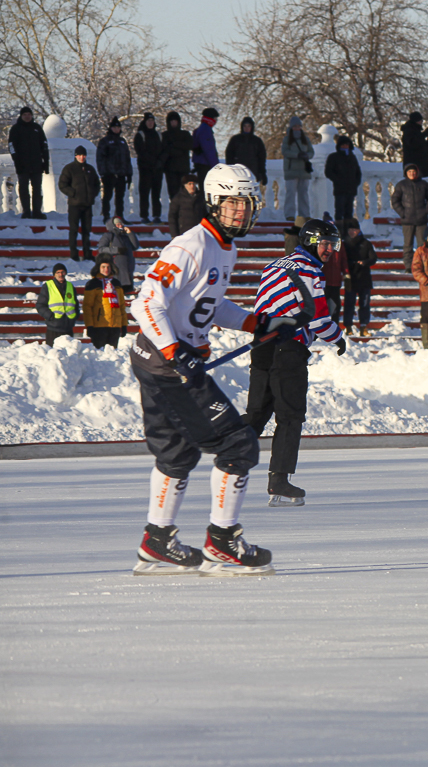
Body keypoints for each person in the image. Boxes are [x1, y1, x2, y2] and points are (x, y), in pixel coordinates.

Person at [129, 163, 287, 574]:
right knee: (238, 446)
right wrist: (174, 351)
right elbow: (145, 301)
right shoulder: (191, 246)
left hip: (161, 360)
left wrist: (256, 322)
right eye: (234, 203)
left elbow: (208, 305)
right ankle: (223, 543)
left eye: (247, 204)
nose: (241, 212)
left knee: (176, 454)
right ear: (215, 203)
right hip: (168, 365)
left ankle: (157, 541)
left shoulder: (225, 247)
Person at [245, 218, 346, 507]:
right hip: (288, 348)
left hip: (262, 342)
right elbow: (318, 318)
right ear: (311, 241)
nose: (329, 250)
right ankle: (279, 480)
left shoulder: (277, 264)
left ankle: (227, 462)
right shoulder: (310, 271)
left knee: (256, 414)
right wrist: (337, 337)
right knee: (290, 415)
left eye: (333, 244)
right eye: (325, 243)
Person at [58, 146, 100, 262]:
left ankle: (87, 253)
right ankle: (74, 254)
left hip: (87, 205)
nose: (82, 157)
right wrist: (72, 193)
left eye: (83, 155)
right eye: (79, 155)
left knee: (86, 231)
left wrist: (92, 195)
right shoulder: (69, 168)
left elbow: (96, 184)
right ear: (75, 156)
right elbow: (62, 184)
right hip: (74, 205)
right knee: (74, 230)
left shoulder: (90, 169)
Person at [390, 163, 428, 268]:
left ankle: (421, 265)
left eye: (414, 172)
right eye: (409, 172)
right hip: (407, 220)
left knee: (422, 245)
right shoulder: (401, 185)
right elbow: (395, 200)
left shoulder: (423, 184)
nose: (412, 174)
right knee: (408, 245)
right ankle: (408, 266)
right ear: (406, 173)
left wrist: (425, 211)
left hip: (421, 220)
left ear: (417, 172)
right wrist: (402, 213)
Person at [9, 106, 48, 220]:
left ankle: (37, 211)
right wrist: (17, 161)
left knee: (37, 188)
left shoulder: (37, 128)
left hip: (36, 165)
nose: (27, 116)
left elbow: (44, 146)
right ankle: (26, 211)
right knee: (23, 189)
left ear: (32, 116)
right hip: (22, 165)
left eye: (29, 114)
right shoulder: (16, 129)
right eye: (25, 115)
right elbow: (11, 146)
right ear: (21, 116)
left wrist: (45, 162)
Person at [339, 218, 376, 335]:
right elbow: (342, 260)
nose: (352, 232)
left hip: (364, 278)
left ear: (358, 230)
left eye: (354, 229)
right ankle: (348, 327)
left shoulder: (366, 243)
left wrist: (364, 262)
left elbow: (373, 258)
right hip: (351, 278)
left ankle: (363, 327)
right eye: (350, 230)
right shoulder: (344, 244)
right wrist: (350, 264)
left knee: (364, 304)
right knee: (349, 303)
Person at [81, 257, 128, 348]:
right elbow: (87, 306)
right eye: (103, 267)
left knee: (112, 354)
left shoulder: (116, 283)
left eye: (108, 267)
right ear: (98, 268)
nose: (106, 269)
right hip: (99, 326)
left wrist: (124, 324)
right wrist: (89, 325)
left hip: (115, 326)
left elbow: (121, 305)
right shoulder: (92, 284)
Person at [96, 117, 132, 222]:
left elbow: (127, 158)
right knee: (107, 196)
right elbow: (100, 158)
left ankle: (119, 217)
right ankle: (106, 216)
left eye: (118, 127)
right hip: (109, 174)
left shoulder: (122, 142)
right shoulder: (105, 141)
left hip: (121, 174)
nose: (116, 129)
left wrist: (129, 173)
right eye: (114, 127)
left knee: (120, 198)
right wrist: (103, 173)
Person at [281, 117, 315, 221]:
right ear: (291, 127)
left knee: (303, 194)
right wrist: (297, 155)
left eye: (299, 126)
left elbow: (311, 152)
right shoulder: (287, 139)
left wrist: (306, 155)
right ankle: (289, 215)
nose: (297, 128)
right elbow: (285, 152)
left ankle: (304, 215)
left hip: (304, 170)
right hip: (291, 170)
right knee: (290, 193)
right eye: (295, 126)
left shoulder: (305, 139)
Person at [224, 117, 268, 196]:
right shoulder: (235, 140)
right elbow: (229, 155)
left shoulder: (257, 141)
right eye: (245, 126)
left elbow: (261, 158)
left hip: (253, 172)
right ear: (242, 127)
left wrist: (262, 173)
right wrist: (230, 169)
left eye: (249, 126)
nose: (247, 128)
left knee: (252, 194)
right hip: (238, 172)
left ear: (252, 127)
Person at [36, 263, 79, 345]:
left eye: (62, 272)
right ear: (54, 274)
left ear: (65, 273)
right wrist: (50, 316)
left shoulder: (70, 286)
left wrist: (75, 316)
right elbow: (40, 305)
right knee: (54, 355)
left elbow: (75, 304)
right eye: (58, 272)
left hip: (68, 327)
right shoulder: (48, 286)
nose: (60, 274)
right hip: (53, 328)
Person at [323, 134, 362, 223]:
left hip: (351, 189)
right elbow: (328, 172)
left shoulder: (352, 157)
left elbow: (358, 172)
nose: (345, 146)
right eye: (343, 145)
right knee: (339, 211)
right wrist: (337, 180)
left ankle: (347, 230)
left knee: (349, 212)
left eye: (347, 145)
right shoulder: (334, 157)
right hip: (340, 189)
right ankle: (339, 230)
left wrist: (356, 183)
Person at [95, 217, 139, 292]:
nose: (121, 226)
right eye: (118, 224)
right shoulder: (109, 235)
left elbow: (135, 246)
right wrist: (117, 250)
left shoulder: (126, 235)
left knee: (127, 286)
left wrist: (130, 234)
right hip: (116, 265)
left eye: (121, 224)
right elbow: (101, 249)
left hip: (128, 266)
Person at [134, 112, 164, 222]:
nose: (150, 123)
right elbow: (140, 151)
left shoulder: (159, 135)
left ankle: (157, 215)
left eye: (152, 121)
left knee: (156, 194)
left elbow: (163, 150)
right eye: (148, 121)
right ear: (145, 122)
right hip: (145, 168)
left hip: (157, 169)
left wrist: (160, 162)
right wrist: (151, 161)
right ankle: (144, 215)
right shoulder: (140, 135)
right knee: (144, 193)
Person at [191, 107, 220, 184]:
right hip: (205, 164)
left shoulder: (201, 128)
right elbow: (208, 149)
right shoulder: (205, 129)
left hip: (201, 163)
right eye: (215, 118)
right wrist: (215, 166)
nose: (216, 121)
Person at [400, 111, 428, 181]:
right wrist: (424, 135)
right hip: (414, 162)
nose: (421, 122)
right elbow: (413, 144)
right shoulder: (410, 130)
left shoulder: (413, 130)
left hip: (416, 162)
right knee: (414, 183)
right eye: (420, 120)